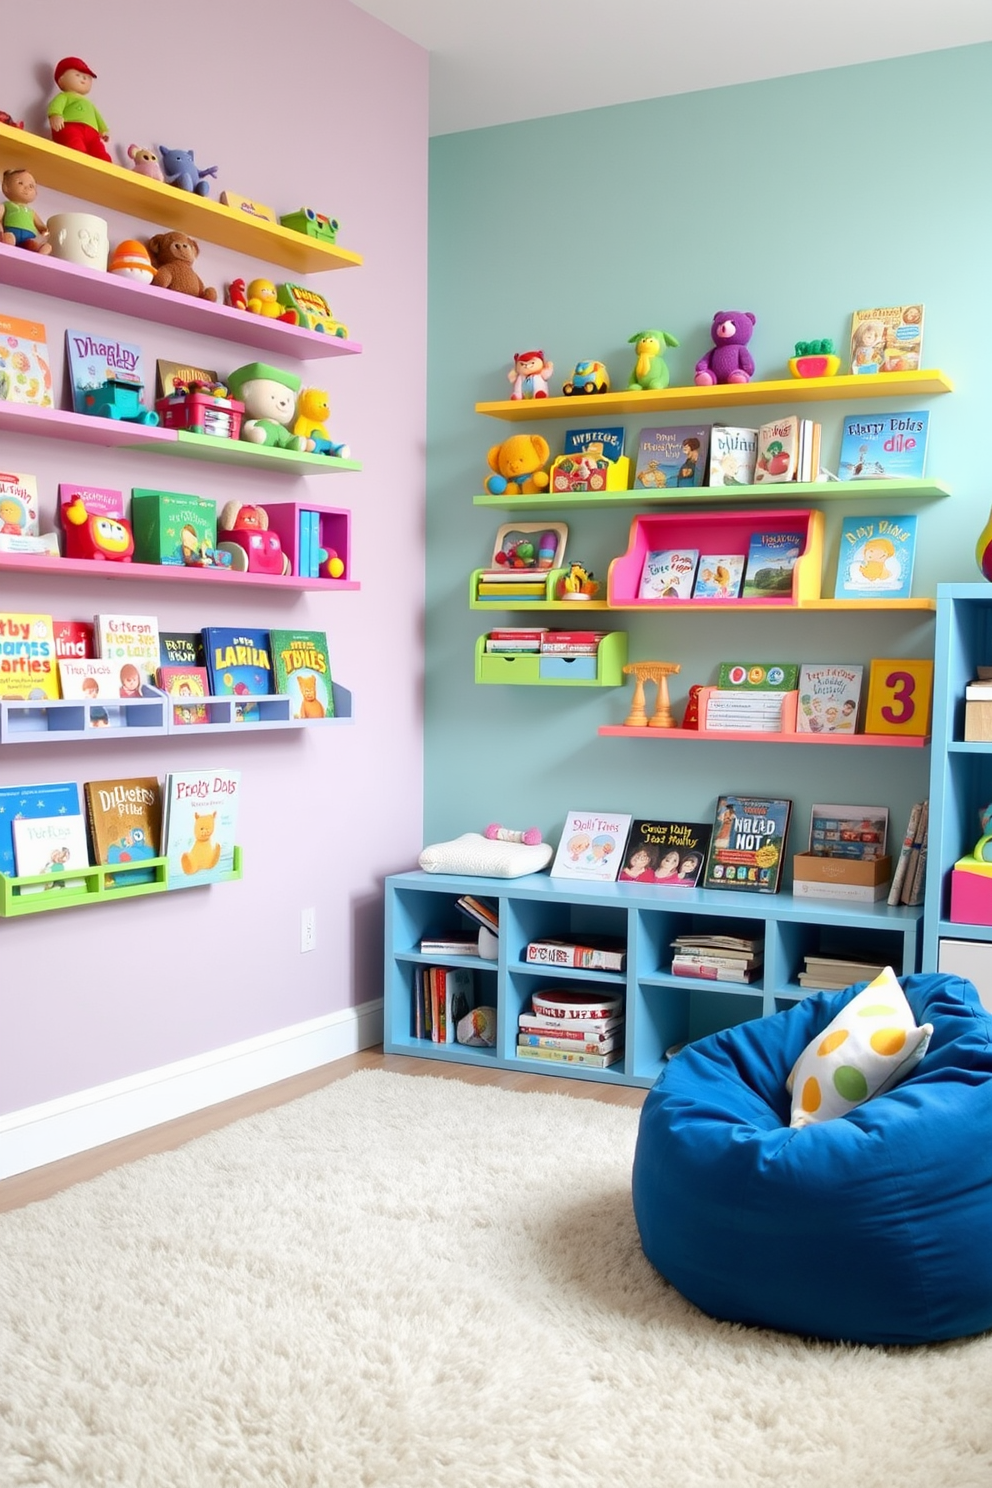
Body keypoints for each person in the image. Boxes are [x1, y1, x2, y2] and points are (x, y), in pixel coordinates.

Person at [48, 57, 111, 162]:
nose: (83, 79)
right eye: (78, 75)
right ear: (61, 80)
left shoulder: (89, 103)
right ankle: (79, 157)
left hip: (93, 134)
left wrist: (103, 130)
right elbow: (56, 106)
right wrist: (55, 115)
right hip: (71, 127)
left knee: (99, 150)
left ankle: (105, 163)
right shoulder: (64, 96)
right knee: (74, 142)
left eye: (86, 77)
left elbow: (97, 116)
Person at [1, 169, 51, 254]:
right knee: (8, 238)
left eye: (31, 186)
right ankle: (7, 245)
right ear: (6, 187)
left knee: (44, 246)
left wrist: (44, 234)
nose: (27, 188)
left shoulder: (31, 212)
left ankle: (39, 254)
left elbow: (43, 228)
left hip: (29, 239)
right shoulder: (6, 205)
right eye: (20, 183)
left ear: (36, 193)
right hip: (12, 234)